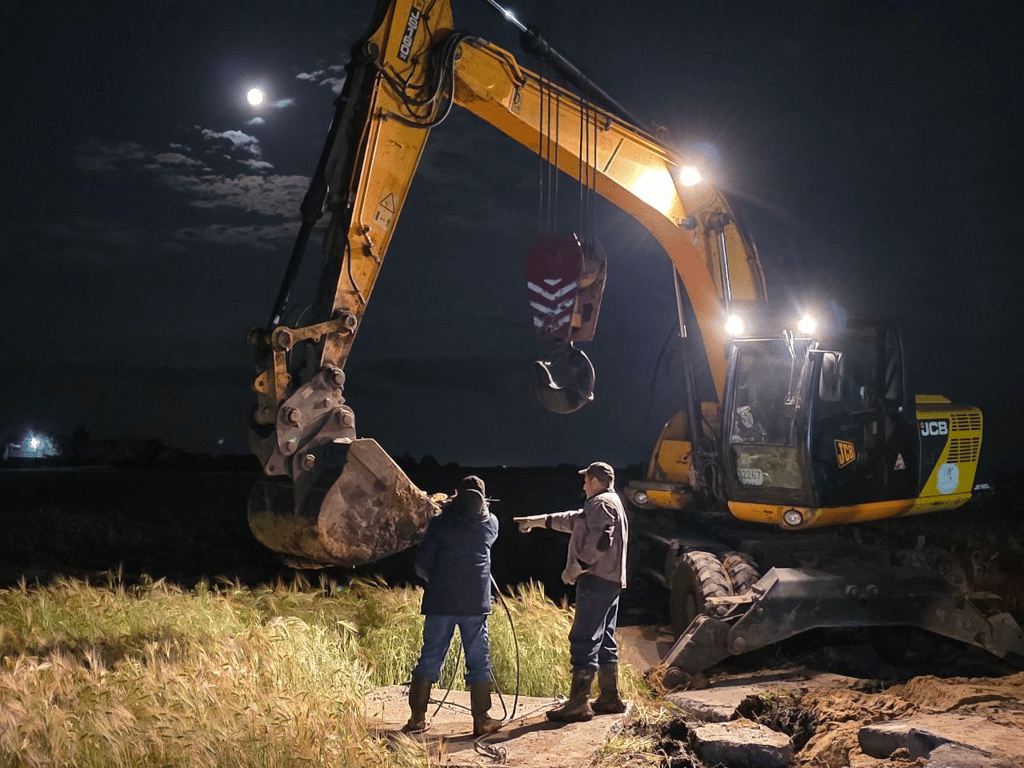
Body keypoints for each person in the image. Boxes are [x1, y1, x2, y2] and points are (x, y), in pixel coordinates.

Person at [513, 461, 629, 722]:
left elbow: (601, 541)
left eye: (586, 480)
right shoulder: (608, 502)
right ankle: (609, 697)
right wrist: (537, 521)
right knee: (605, 640)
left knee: (584, 638)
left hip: (596, 580)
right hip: (610, 581)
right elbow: (575, 521)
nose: (583, 484)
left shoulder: (601, 504)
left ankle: (578, 704)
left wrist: (576, 568)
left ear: (596, 482)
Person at [403, 475, 502, 738]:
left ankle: (416, 719)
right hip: (475, 604)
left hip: (440, 601)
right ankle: (482, 720)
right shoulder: (490, 524)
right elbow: (478, 518)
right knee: (478, 661)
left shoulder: (439, 523)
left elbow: (421, 565)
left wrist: (435, 578)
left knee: (430, 657)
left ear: (457, 493)